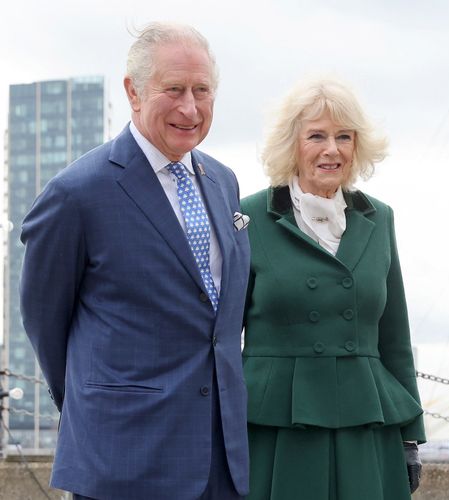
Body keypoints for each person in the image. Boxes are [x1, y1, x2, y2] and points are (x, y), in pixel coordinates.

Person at [20, 23, 251, 500]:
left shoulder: (223, 183)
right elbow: (45, 322)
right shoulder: (76, 194)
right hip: (122, 460)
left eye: (202, 91)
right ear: (134, 91)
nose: (190, 107)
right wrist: (97, 409)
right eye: (174, 89)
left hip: (219, 461)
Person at [239, 77, 425, 499]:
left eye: (344, 136)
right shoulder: (247, 217)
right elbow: (221, 335)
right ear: (293, 144)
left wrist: (410, 439)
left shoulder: (380, 218)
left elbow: (395, 337)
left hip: (365, 428)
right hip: (276, 430)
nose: (332, 149)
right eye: (317, 136)